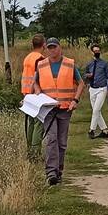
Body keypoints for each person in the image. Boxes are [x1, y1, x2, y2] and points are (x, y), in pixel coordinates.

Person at [33, 37, 85, 186]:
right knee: (52, 139)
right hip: (48, 109)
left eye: (54, 47)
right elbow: (35, 82)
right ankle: (51, 173)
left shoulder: (69, 64)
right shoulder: (41, 65)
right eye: (49, 48)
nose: (52, 50)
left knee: (61, 142)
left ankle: (59, 171)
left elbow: (80, 83)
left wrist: (75, 100)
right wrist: (37, 92)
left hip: (65, 109)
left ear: (59, 47)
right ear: (46, 49)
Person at [20, 34, 47, 158]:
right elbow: (39, 77)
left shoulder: (28, 57)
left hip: (26, 93)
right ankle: (35, 153)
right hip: (36, 93)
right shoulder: (40, 58)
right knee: (38, 124)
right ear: (44, 44)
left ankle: (29, 150)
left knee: (30, 123)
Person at [84, 43, 108, 140]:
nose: (97, 52)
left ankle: (91, 130)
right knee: (96, 111)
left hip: (102, 88)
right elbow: (85, 75)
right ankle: (104, 131)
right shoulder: (89, 64)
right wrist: (88, 76)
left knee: (96, 110)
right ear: (92, 52)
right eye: (95, 51)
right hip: (92, 89)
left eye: (98, 51)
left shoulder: (105, 64)